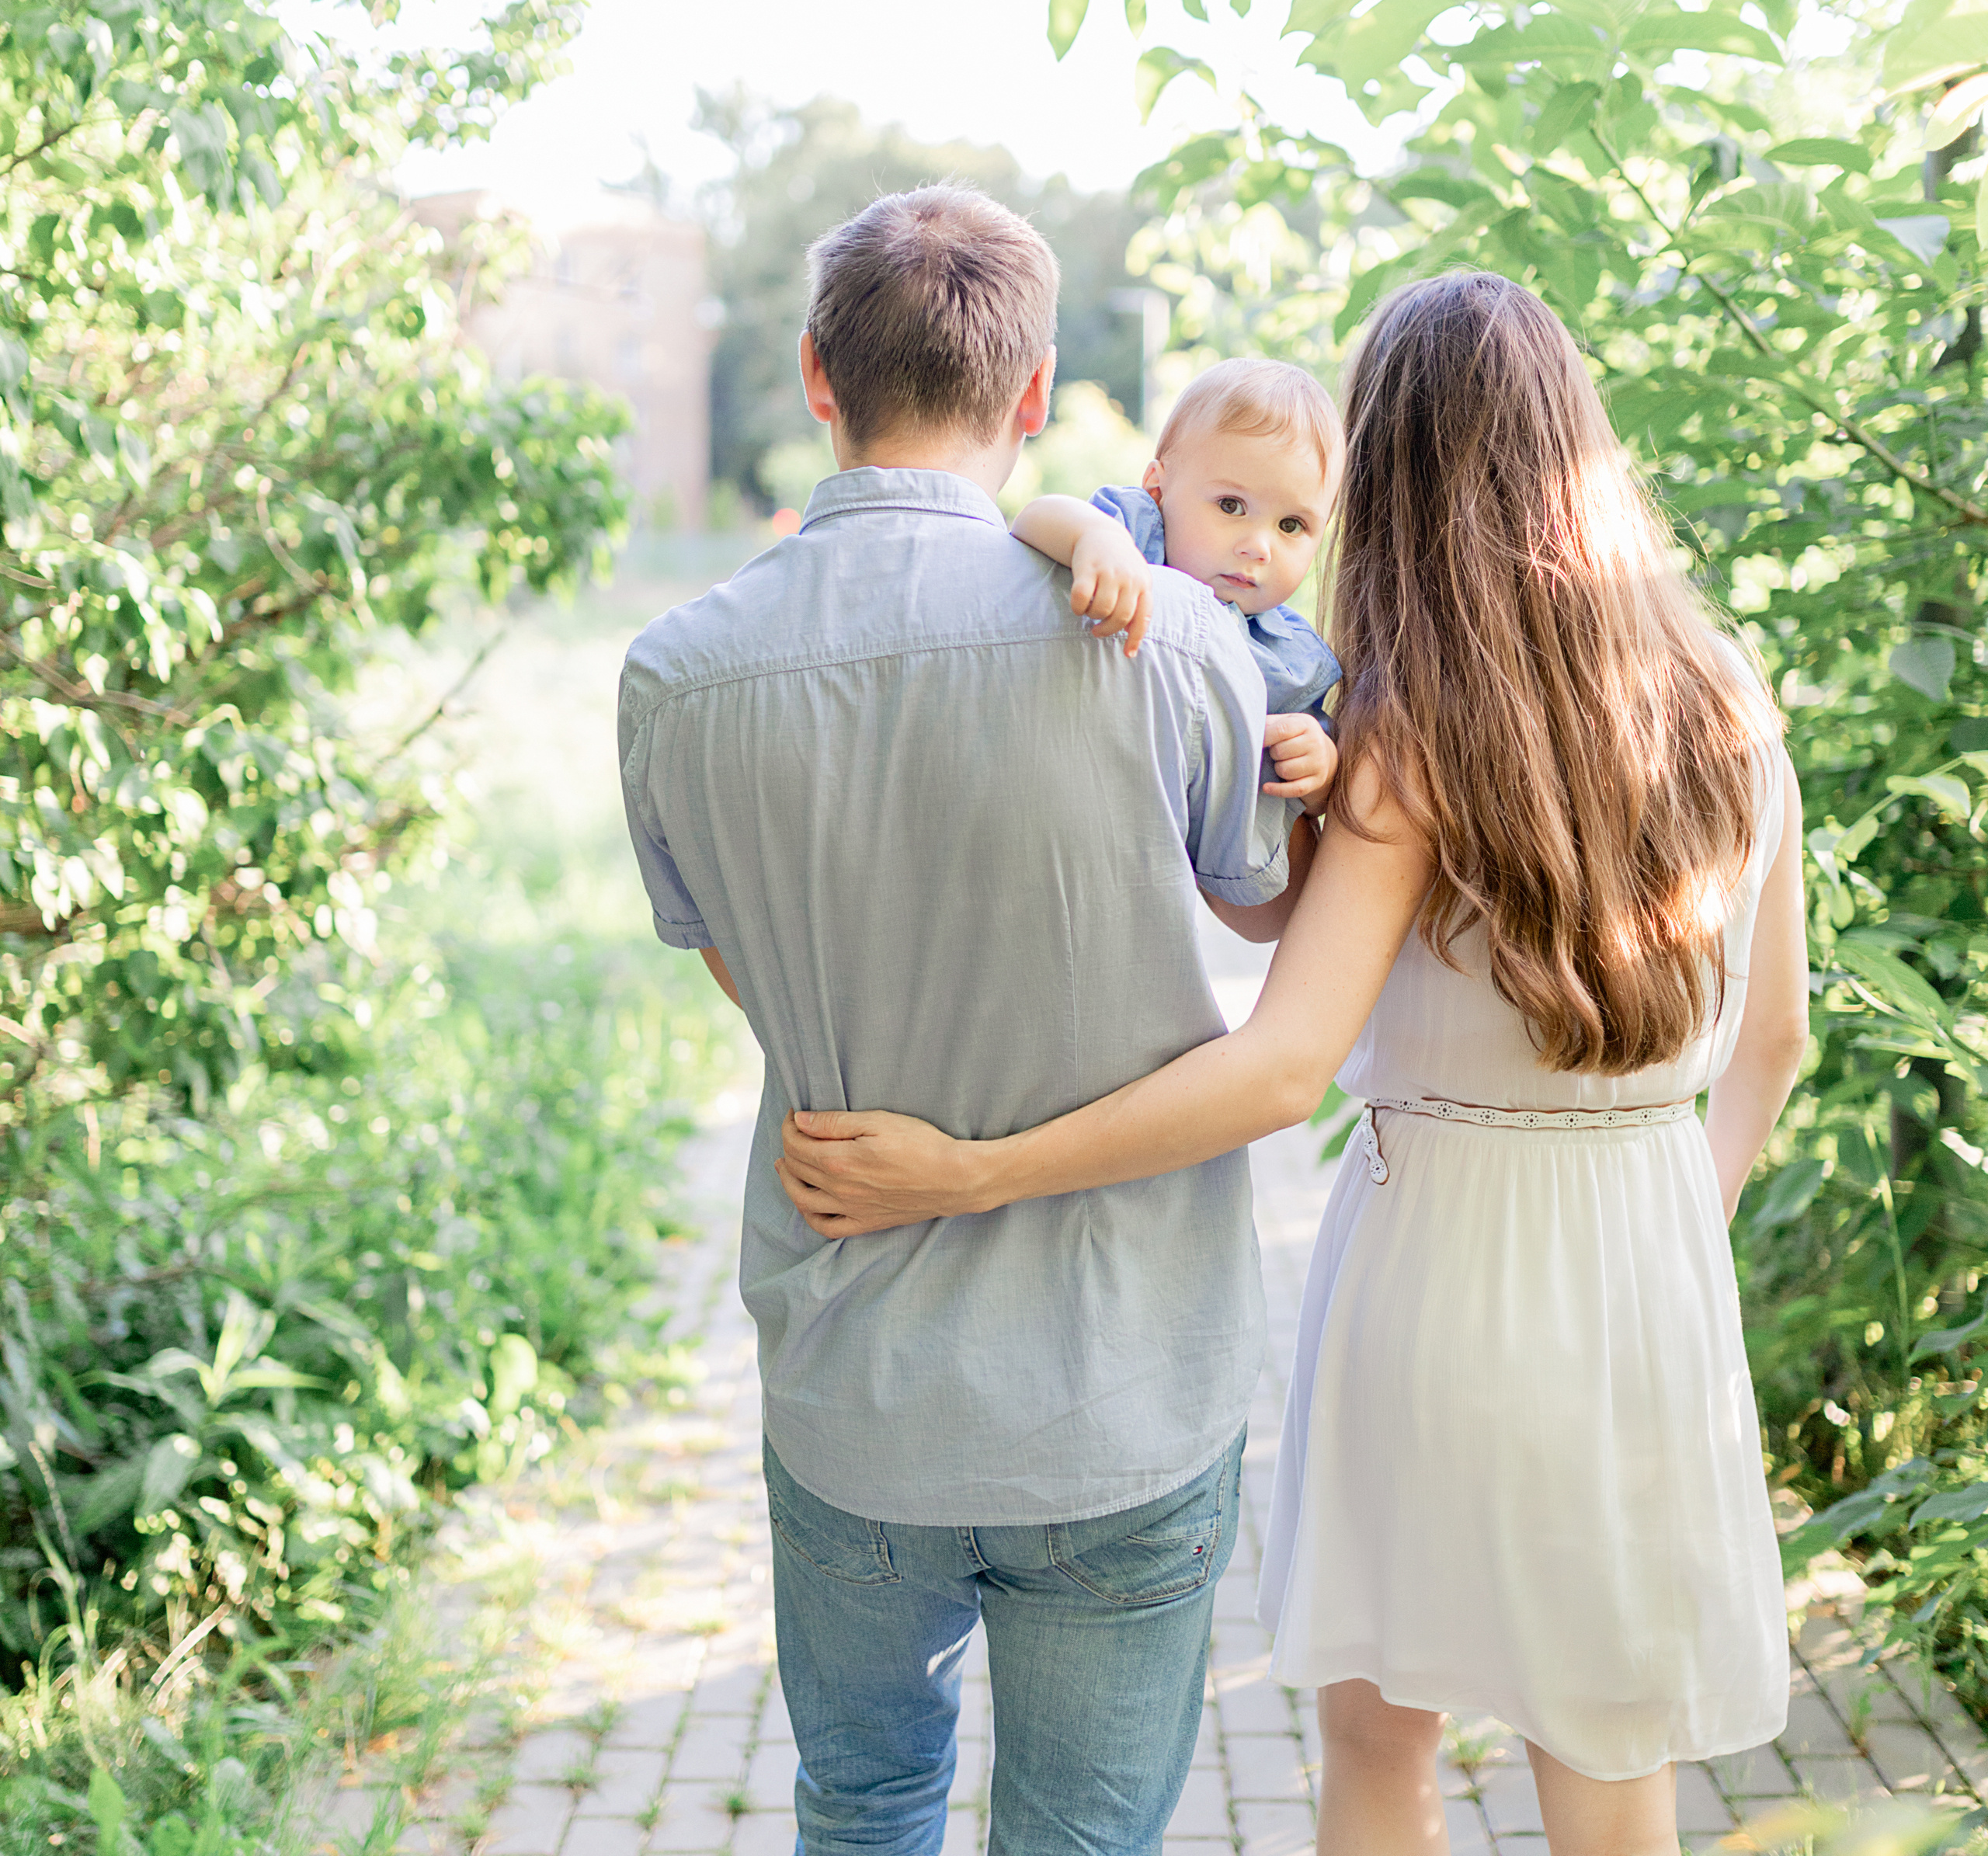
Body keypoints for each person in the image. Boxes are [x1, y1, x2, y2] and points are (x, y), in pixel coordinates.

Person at [775, 269, 1809, 1856]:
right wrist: (1667, 1239)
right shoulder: (1727, 702)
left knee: (1379, 1744)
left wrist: (971, 1171)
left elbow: (1275, 1071)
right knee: (1611, 1755)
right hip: (1650, 1277)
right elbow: (1773, 1042)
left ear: (1385, 479)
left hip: (1438, 1274)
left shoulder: (1408, 738)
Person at [616, 183, 1309, 1856]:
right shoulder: (1180, 646)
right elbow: (1261, 900)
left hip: (855, 1380)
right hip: (1123, 1383)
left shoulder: (673, 677)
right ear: (1033, 390)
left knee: (861, 1811)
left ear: (814, 373)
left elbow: (747, 973)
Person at [1010, 356, 1344, 813]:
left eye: (1291, 525)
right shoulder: (1133, 537)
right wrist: (1092, 537)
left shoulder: (1290, 658)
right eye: (1230, 505)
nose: (1258, 547)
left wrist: (1320, 770)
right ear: (1157, 490)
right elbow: (1032, 519)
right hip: (1079, 784)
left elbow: (1313, 804)